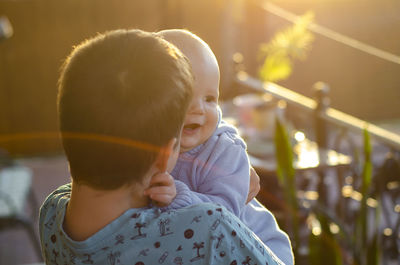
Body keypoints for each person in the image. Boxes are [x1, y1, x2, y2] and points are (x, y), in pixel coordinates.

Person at [39, 29, 284, 265]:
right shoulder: (209, 229)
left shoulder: (50, 213)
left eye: (210, 99)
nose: (199, 110)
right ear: (166, 154)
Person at [146, 29, 294, 265]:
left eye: (210, 99)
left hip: (259, 247)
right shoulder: (144, 143)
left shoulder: (224, 150)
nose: (199, 109)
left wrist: (180, 196)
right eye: (185, 97)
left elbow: (226, 214)